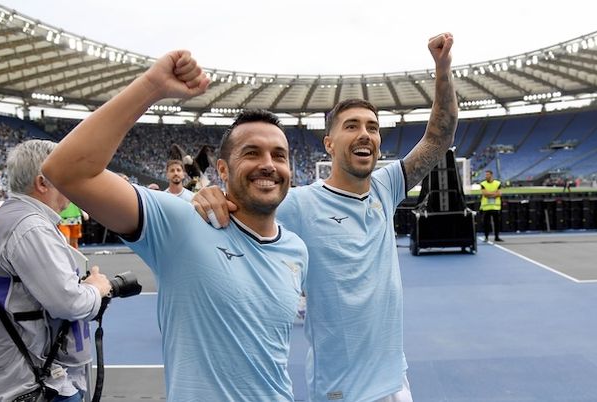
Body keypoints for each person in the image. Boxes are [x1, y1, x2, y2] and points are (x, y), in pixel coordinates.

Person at [193, 33, 458, 402]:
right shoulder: (299, 204)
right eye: (351, 125)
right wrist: (208, 195)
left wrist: (442, 68)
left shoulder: (386, 187)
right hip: (341, 390)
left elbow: (438, 138)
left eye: (372, 127)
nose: (364, 133)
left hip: (396, 382)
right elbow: (239, 206)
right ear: (329, 144)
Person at [42, 50, 308, 401]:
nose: (269, 164)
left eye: (279, 155)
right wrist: (152, 87)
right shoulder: (183, 222)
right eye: (252, 153)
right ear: (223, 170)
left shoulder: (296, 250)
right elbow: (65, 170)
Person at [0, 140, 112, 402]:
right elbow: (70, 303)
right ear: (42, 183)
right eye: (64, 177)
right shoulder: (30, 228)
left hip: (6, 372)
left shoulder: (5, 217)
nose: (71, 185)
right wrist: (97, 287)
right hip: (29, 380)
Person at [479, 169, 503, 242]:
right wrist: (494, 194)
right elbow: (485, 194)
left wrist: (490, 194)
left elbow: (499, 194)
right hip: (486, 207)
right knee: (486, 223)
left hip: (495, 207)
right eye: (485, 175)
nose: (486, 176)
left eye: (487, 174)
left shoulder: (497, 183)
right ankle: (486, 237)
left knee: (497, 223)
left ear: (491, 175)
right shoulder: (483, 184)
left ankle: (497, 237)